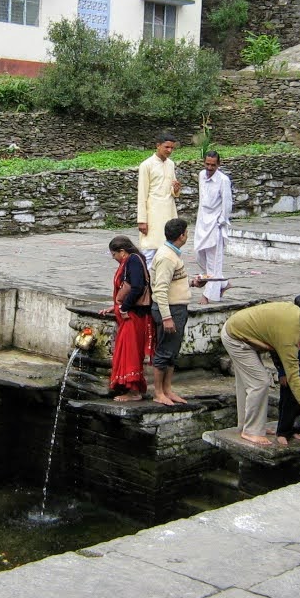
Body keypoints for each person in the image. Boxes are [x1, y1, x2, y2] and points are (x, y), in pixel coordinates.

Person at [221, 300, 300, 446]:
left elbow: (273, 339)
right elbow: (294, 378)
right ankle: (251, 431)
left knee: (247, 383)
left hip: (241, 330)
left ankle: (246, 425)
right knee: (260, 383)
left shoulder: (298, 315)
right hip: (235, 337)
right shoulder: (290, 337)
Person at [150, 218, 205, 406]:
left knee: (172, 352)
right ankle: (158, 392)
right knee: (164, 351)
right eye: (186, 232)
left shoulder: (172, 255)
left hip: (177, 307)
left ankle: (167, 389)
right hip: (170, 310)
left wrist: (193, 282)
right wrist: (167, 317)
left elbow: (174, 281)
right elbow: (160, 288)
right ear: (182, 235)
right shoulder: (166, 257)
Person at [100, 235, 152, 402]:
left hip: (134, 315)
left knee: (130, 353)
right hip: (131, 313)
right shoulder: (134, 259)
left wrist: (123, 307)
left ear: (122, 252)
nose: (114, 258)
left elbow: (137, 287)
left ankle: (134, 392)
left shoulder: (133, 261)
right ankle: (127, 388)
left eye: (114, 255)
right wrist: (114, 307)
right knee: (126, 351)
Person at [270, 293, 300, 444]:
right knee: (288, 405)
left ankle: (297, 430)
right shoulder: (289, 333)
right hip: (290, 376)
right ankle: (283, 432)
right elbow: (278, 353)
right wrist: (282, 373)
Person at [137, 133, 181, 267]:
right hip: (153, 213)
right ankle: (147, 285)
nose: (169, 151)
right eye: (166, 147)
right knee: (149, 252)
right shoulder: (146, 165)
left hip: (168, 211)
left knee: (167, 251)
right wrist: (142, 220)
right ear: (158, 146)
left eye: (172, 148)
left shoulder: (171, 164)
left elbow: (172, 191)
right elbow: (142, 194)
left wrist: (176, 189)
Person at [195, 150, 233, 304]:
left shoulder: (223, 180)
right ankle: (222, 283)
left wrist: (221, 222)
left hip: (215, 225)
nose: (209, 167)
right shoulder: (201, 176)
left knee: (214, 262)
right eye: (207, 164)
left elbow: (227, 203)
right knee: (199, 257)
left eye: (213, 165)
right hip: (202, 223)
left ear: (218, 164)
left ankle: (207, 296)